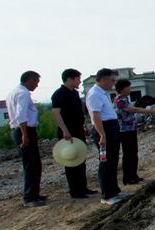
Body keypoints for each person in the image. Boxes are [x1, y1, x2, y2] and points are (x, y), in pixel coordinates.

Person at [51, 68, 97, 199]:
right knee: (71, 159)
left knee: (80, 158)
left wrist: (84, 127)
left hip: (78, 129)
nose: (79, 82)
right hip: (68, 131)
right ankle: (75, 190)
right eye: (78, 79)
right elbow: (56, 113)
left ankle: (83, 187)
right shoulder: (59, 94)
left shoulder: (74, 93)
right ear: (70, 79)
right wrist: (64, 130)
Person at [86, 68, 128, 205]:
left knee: (113, 160)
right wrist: (102, 135)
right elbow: (96, 116)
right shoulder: (94, 94)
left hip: (111, 127)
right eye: (111, 80)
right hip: (104, 129)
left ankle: (114, 191)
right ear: (103, 80)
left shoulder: (103, 93)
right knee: (106, 162)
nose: (113, 83)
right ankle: (107, 195)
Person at [6, 71, 45, 207]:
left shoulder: (14, 92)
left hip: (20, 130)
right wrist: (25, 135)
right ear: (29, 80)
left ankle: (34, 194)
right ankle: (30, 197)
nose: (37, 85)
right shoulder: (23, 93)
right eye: (36, 82)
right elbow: (21, 115)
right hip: (24, 130)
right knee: (31, 165)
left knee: (33, 164)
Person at [113, 79, 155, 184]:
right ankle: (129, 178)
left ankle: (133, 176)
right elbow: (133, 110)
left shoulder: (124, 99)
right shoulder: (119, 100)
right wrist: (152, 111)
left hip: (130, 129)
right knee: (129, 154)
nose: (130, 89)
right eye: (128, 87)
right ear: (123, 88)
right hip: (125, 131)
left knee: (133, 153)